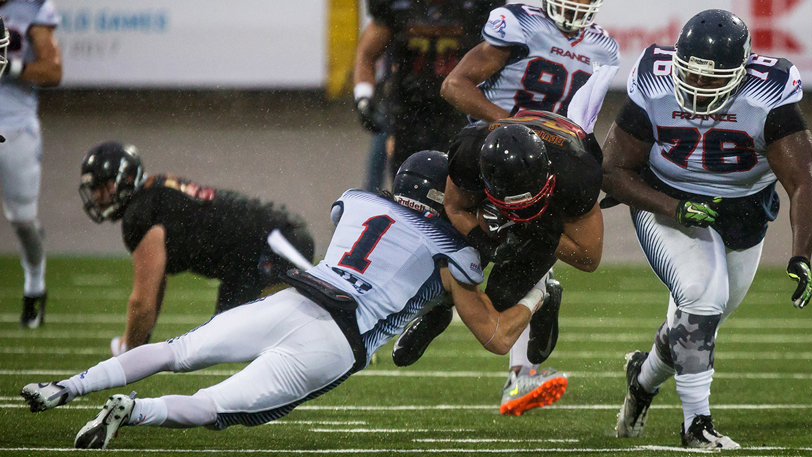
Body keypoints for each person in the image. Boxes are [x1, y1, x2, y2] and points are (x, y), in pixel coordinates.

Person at [21, 150, 552, 450]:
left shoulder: (360, 203)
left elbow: (383, 236)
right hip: (336, 339)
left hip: (297, 298)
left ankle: (66, 386)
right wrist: (533, 290)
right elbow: (494, 334)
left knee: (176, 350)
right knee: (215, 406)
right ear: (443, 197)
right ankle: (136, 412)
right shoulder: (453, 253)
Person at [601, 10, 812, 450]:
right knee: (703, 297)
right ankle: (696, 425)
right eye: (691, 75)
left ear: (740, 73)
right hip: (666, 199)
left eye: (711, 78)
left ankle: (642, 381)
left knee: (696, 323)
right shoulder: (655, 83)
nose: (698, 87)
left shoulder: (767, 95)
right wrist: (674, 206)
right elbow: (612, 170)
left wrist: (801, 254)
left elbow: (804, 182)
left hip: (743, 213)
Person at [393, 110, 605, 417]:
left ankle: (543, 294)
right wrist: (481, 241)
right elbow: (454, 205)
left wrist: (532, 230)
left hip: (545, 215)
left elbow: (589, 257)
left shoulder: (576, 173)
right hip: (493, 197)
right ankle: (440, 302)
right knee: (432, 216)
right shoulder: (469, 153)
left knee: (502, 300)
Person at [77, 142, 316, 356]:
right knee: (225, 338)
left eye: (103, 187)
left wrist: (128, 349)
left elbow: (142, 304)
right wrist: (136, 344)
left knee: (314, 306)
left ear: (126, 179)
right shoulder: (152, 196)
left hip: (279, 242)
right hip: (248, 263)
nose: (97, 197)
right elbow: (154, 287)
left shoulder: (141, 212)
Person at [353, 0, 503, 177]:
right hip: (410, 108)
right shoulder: (396, 6)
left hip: (461, 108)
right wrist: (363, 96)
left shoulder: (477, 6)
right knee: (407, 184)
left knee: (460, 182)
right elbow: (368, 53)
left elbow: (499, 56)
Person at [441, 0, 618, 125]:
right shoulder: (523, 22)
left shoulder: (604, 47)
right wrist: (511, 122)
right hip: (495, 133)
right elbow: (454, 85)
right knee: (463, 166)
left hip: (557, 149)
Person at [0, 0, 62, 328]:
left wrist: (9, 68)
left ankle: (34, 285)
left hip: (15, 125)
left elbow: (53, 70)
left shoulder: (33, 7)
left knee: (23, 220)